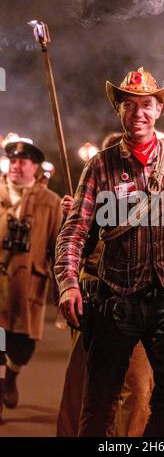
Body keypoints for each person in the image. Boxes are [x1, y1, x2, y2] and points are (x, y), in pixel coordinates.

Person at [55, 67, 164, 437]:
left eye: (146, 105)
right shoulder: (101, 165)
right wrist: (68, 283)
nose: (138, 113)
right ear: (120, 111)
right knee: (99, 401)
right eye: (130, 105)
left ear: (159, 110)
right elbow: (73, 233)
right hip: (116, 299)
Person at [0, 136, 62, 423]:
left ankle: (11, 375)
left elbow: (59, 248)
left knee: (22, 346)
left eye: (22, 161)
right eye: (12, 160)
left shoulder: (51, 202)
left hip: (28, 285)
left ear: (35, 167)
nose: (15, 165)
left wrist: (65, 288)